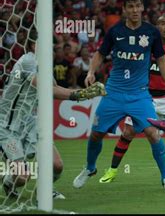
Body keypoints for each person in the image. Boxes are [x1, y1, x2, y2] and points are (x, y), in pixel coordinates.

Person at [73, 0, 165, 191]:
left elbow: (162, 60)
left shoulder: (151, 32)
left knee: (153, 134)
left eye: (137, 6)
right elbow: (100, 54)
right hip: (114, 92)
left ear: (142, 8)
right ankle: (89, 168)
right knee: (96, 134)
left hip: (139, 94)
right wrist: (90, 71)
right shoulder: (114, 31)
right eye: (130, 6)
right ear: (124, 9)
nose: (134, 10)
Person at [0, 39, 106, 199]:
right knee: (23, 177)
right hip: (8, 126)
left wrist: (84, 92)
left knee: (57, 165)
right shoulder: (28, 61)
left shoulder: (43, 65)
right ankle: (9, 180)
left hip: (29, 122)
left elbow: (55, 87)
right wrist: (78, 95)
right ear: (34, 45)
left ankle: (44, 190)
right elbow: (46, 89)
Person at [99, 14, 165, 183]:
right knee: (128, 133)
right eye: (162, 24)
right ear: (156, 27)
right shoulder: (145, 45)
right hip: (143, 98)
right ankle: (111, 171)